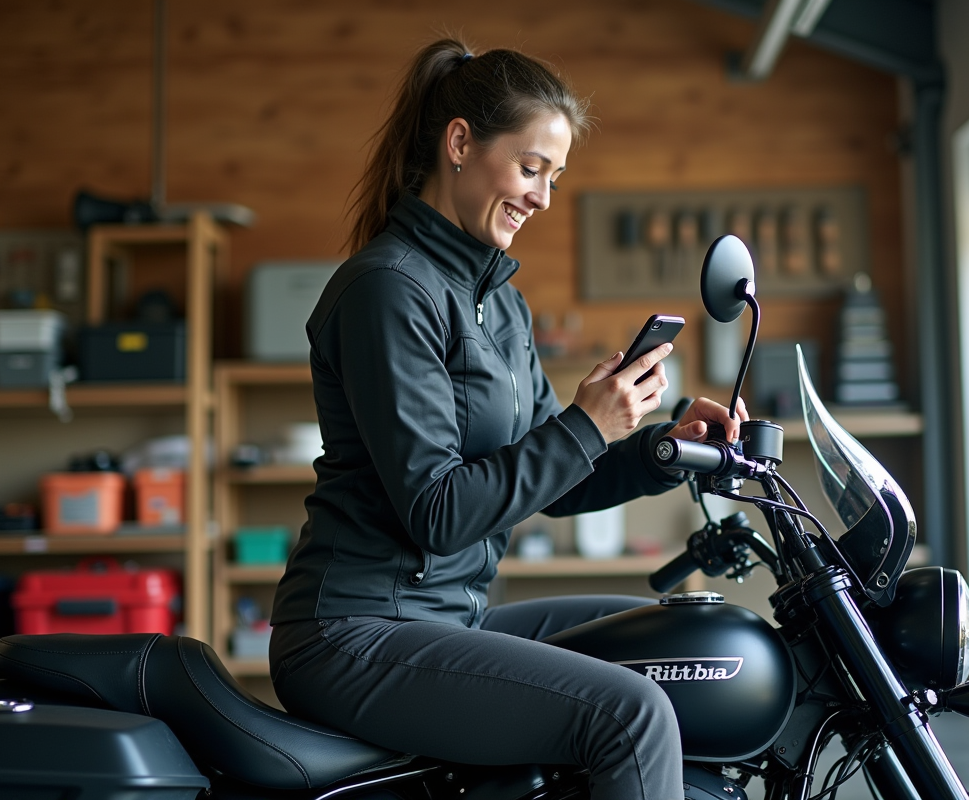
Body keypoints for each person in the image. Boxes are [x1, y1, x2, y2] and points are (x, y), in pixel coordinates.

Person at [270, 38, 749, 800]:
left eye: (555, 178)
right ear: (459, 143)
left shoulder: (501, 304)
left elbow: (550, 484)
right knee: (633, 717)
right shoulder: (389, 290)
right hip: (355, 633)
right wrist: (585, 425)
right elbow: (436, 510)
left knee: (672, 637)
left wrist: (661, 446)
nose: (543, 197)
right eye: (531, 169)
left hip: (445, 619)